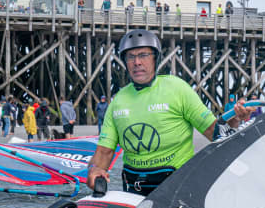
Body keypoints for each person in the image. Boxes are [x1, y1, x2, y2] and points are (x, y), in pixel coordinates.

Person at [87, 29, 251, 195]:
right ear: (125, 61)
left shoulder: (177, 89)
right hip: (133, 190)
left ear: (155, 58)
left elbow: (215, 133)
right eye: (131, 56)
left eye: (143, 55)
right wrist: (94, 170)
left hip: (177, 190)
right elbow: (104, 152)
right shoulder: (118, 101)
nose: (137, 62)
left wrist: (235, 120)